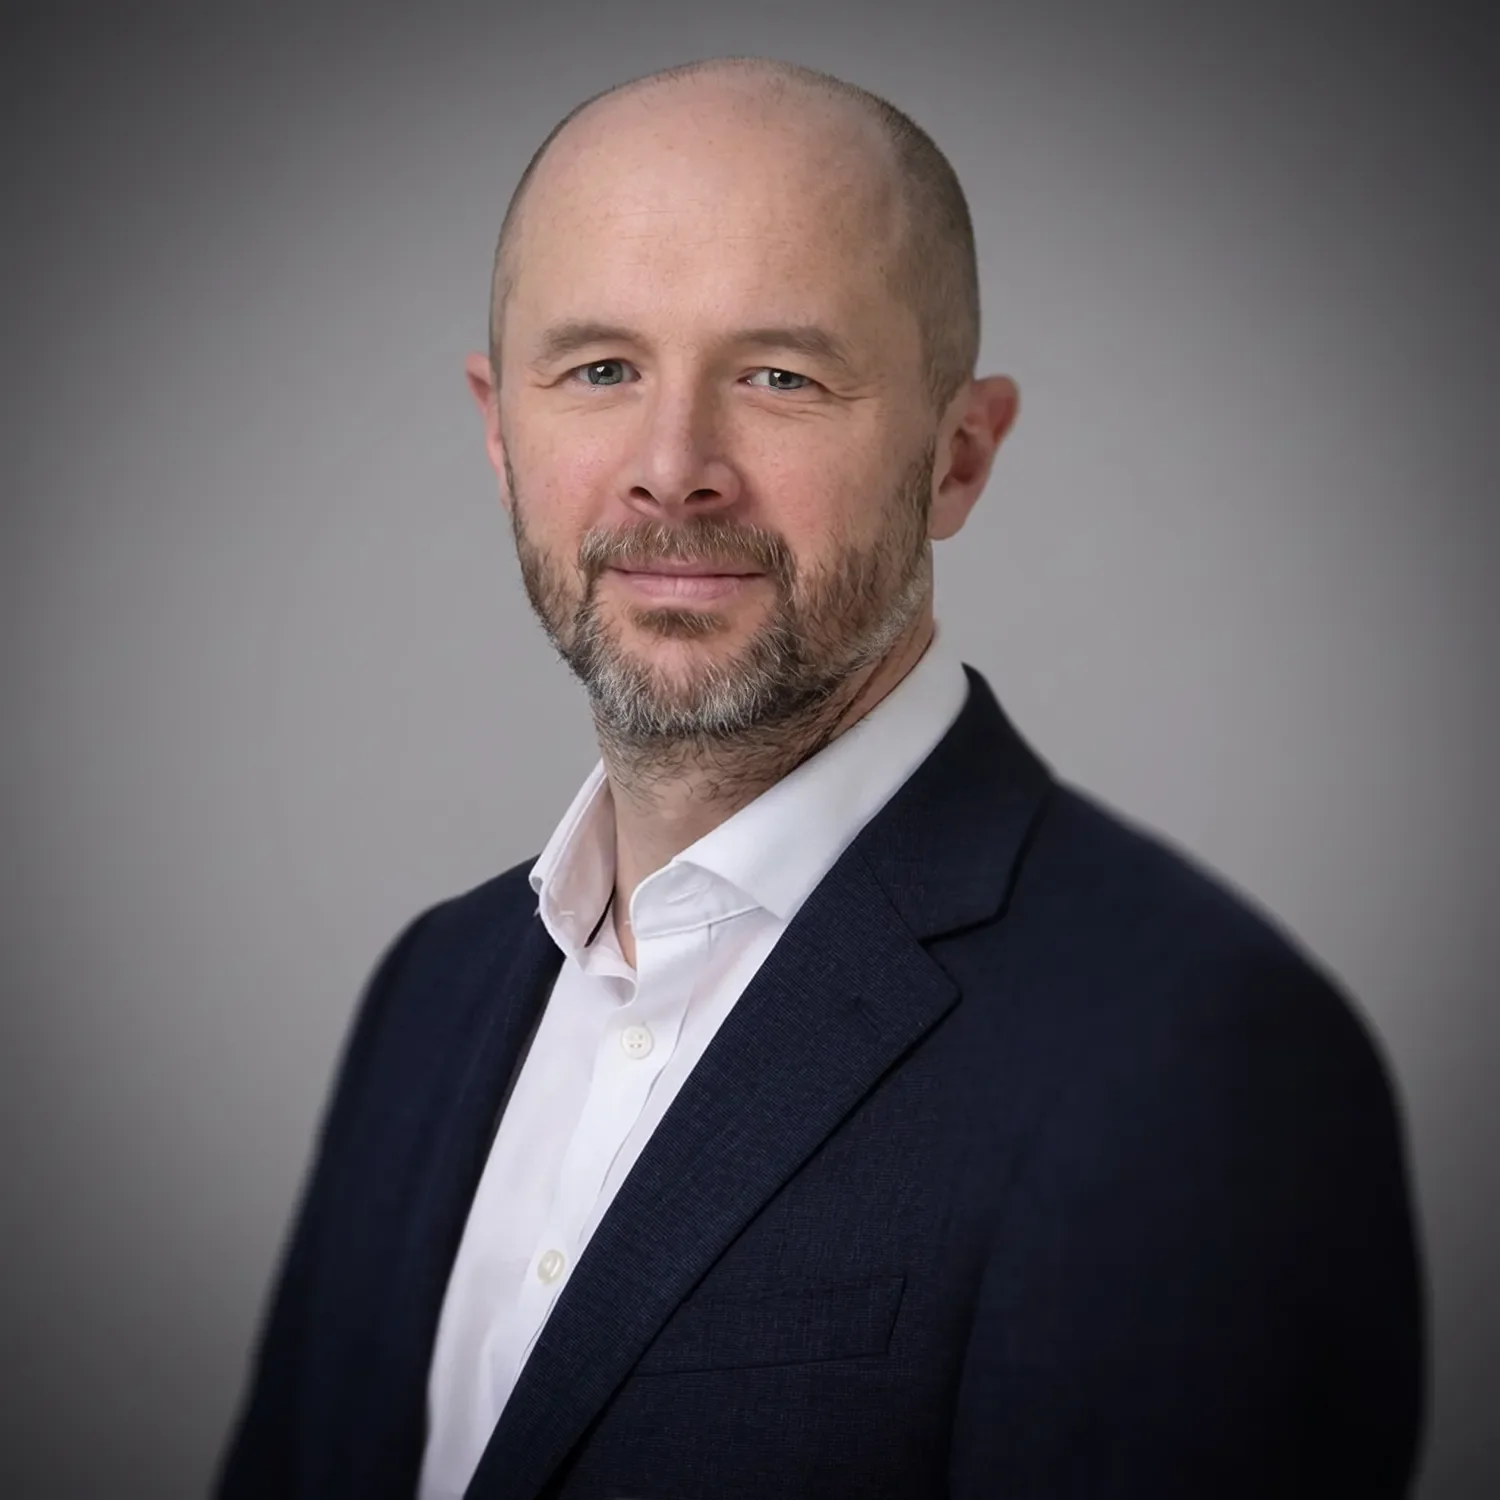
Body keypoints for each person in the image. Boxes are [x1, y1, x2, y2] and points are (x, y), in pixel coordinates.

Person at [215, 56, 1424, 1500]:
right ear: (497, 430)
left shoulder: (1194, 1063)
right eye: (601, 369)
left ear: (958, 459)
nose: (674, 471)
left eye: (779, 376)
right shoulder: (432, 992)